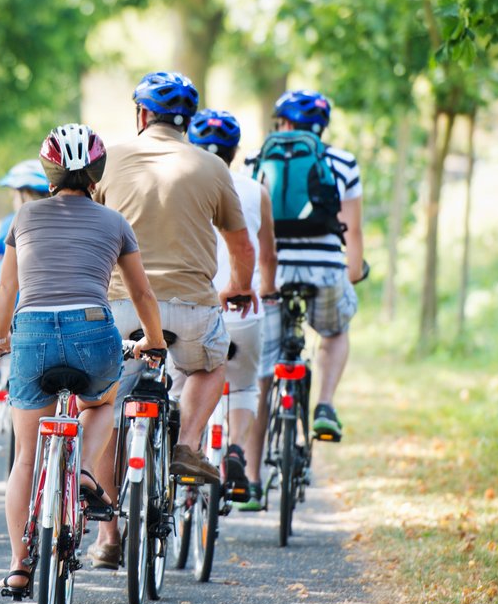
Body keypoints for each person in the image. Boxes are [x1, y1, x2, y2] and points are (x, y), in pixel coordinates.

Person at [0, 124, 165, 599]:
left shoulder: (23, 219)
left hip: (34, 333)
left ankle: (19, 565)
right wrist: (154, 340)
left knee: (26, 456)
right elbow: (141, 291)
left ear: (48, 172)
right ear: (97, 173)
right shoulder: (114, 222)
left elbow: (7, 289)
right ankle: (85, 468)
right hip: (92, 328)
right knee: (102, 402)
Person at [89, 70, 254, 568]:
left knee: (105, 405)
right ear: (189, 121)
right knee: (210, 366)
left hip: (121, 307)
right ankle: (185, 445)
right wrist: (239, 287)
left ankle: (108, 536)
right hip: (191, 305)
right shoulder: (210, 165)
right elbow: (240, 244)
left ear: (141, 115)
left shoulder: (109, 159)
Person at [250, 88, 364, 451]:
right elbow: (353, 233)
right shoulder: (343, 162)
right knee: (334, 331)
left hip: (271, 275)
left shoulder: (256, 159)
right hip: (325, 271)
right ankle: (325, 405)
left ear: (282, 124)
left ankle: (250, 478)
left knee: (262, 369)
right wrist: (354, 273)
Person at [187, 108, 278, 502]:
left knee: (180, 383)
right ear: (235, 151)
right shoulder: (255, 191)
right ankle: (237, 449)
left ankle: (184, 453)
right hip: (243, 310)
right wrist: (268, 290)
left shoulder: (179, 186)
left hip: (193, 307)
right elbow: (267, 256)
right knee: (242, 386)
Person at [0, 159, 50, 402]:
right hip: (38, 301)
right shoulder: (55, 220)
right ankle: (14, 377)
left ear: (21, 194)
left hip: (7, 299)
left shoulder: (11, 221)